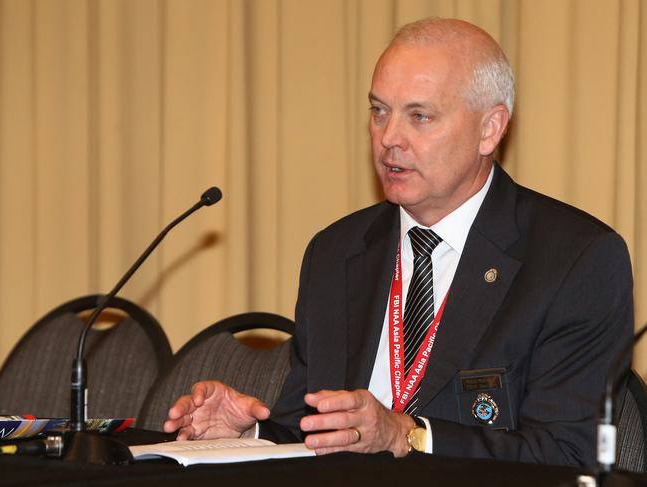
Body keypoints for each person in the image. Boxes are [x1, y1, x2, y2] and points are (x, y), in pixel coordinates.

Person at [163, 17, 634, 467]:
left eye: (420, 116)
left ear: (490, 129)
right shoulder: (336, 252)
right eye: (379, 111)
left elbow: (567, 456)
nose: (389, 139)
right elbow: (311, 431)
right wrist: (248, 436)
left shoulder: (575, 260)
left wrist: (406, 435)